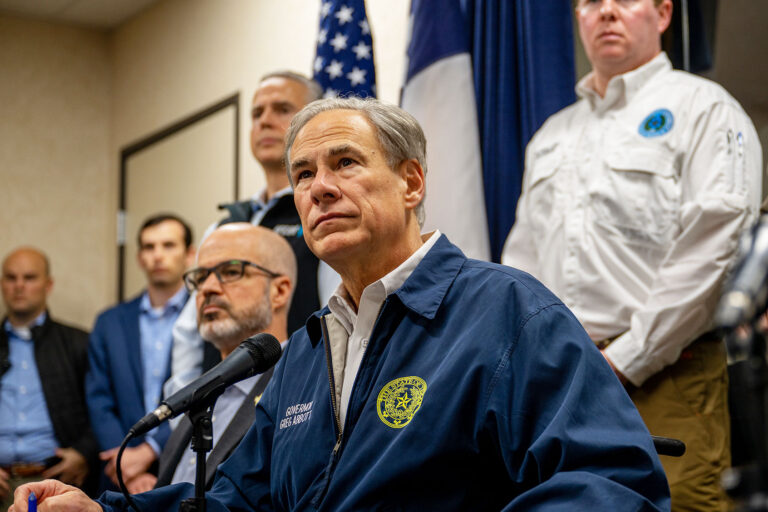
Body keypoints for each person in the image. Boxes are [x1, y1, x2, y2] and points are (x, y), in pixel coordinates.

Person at [10, 98, 670, 511]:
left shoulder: (507, 311)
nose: (319, 188)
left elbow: (609, 480)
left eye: (345, 163)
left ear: (412, 182)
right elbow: (242, 497)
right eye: (302, 175)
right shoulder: (305, 348)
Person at [502, 0, 763, 509]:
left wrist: (624, 360)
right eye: (591, 3)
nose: (606, 13)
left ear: (663, 14)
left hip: (669, 376)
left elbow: (715, 247)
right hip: (561, 382)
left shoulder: (705, 109)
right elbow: (522, 261)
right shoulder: (552, 135)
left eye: (624, 0)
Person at [166, 71, 335, 396]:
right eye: (257, 113)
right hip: (219, 413)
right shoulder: (224, 226)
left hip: (297, 398)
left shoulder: (323, 211)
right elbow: (189, 331)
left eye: (282, 109)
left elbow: (337, 317)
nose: (265, 122)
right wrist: (186, 407)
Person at [154, 224, 295, 490]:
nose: (207, 288)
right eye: (201, 277)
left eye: (231, 272)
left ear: (279, 291)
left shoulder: (301, 386)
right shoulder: (201, 392)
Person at [85, 214, 195, 494]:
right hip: (117, 471)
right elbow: (99, 398)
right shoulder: (110, 322)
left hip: (186, 462)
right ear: (139, 257)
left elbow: (204, 391)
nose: (158, 255)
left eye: (168, 245)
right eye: (149, 247)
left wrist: (150, 451)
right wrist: (125, 464)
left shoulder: (204, 318)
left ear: (190, 254)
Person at [0, 248, 98, 509]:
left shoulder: (78, 343)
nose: (19, 286)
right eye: (11, 278)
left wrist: (83, 453)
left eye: (29, 277)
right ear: (2, 284)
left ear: (48, 284)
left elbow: (102, 409)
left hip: (54, 485)